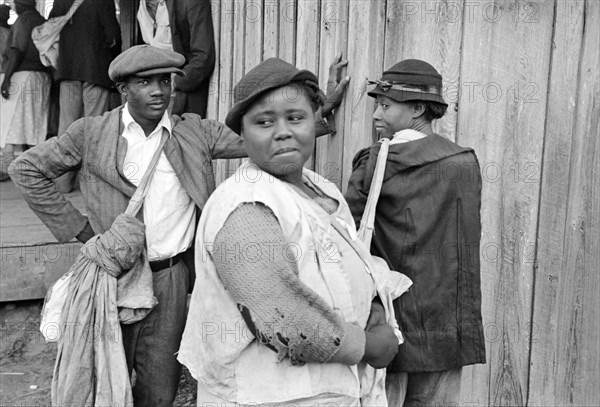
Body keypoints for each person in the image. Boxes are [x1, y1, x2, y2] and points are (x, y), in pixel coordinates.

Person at [9, 45, 347, 407]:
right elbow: (26, 169)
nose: (159, 91)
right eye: (145, 82)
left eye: (165, 81)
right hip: (112, 279)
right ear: (124, 90)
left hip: (169, 279)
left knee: (159, 389)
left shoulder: (194, 132)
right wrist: (85, 233)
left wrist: (316, 106)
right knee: (103, 382)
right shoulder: (91, 133)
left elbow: (262, 134)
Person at [177, 57, 404, 406]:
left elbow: (351, 263)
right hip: (269, 396)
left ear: (315, 120)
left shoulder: (321, 190)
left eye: (295, 118)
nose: (282, 131)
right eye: (264, 122)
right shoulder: (246, 205)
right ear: (243, 135)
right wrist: (372, 345)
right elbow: (283, 318)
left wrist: (372, 308)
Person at [344, 59, 486, 406]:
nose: (376, 115)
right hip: (446, 328)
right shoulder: (465, 163)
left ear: (418, 108)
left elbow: (344, 233)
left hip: (390, 322)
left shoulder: (379, 161)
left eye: (386, 105)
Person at [48, 0, 121, 192]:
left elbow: (52, 27)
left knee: (67, 127)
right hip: (94, 71)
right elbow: (112, 35)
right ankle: (92, 184)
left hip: (68, 70)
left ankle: (62, 183)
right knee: (94, 127)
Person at [137, 0, 215, 117]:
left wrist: (175, 82)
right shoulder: (143, 4)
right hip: (154, 90)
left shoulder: (192, 3)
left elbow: (203, 58)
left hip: (180, 94)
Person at [0, 0, 50, 176]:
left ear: (20, 5)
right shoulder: (41, 19)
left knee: (10, 124)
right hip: (42, 77)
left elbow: (17, 49)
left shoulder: (23, 20)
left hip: (22, 76)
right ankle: (35, 169)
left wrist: (7, 79)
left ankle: (8, 168)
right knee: (35, 125)